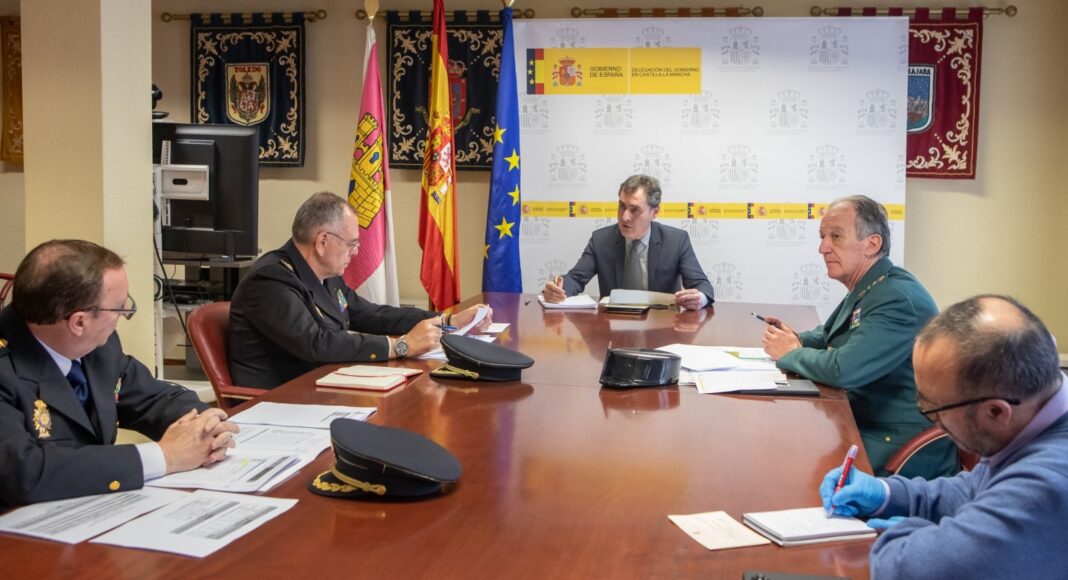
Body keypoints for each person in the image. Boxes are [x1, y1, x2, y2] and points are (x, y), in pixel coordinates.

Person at [819, 295, 1068, 579]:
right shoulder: (1036, 415)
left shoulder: (1048, 480)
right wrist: (886, 494)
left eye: (933, 409)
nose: (931, 418)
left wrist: (915, 534)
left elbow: (914, 569)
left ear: (996, 412)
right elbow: (974, 489)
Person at [0, 240, 238, 506]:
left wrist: (205, 428)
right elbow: (22, 471)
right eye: (120, 308)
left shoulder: (97, 346)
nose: (123, 315)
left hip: (89, 507)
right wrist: (165, 456)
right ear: (79, 322)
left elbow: (152, 398)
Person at [762, 195, 955, 478]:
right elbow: (831, 335)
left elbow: (844, 369)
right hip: (863, 420)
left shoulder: (896, 298)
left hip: (895, 442)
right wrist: (796, 339)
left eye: (836, 236)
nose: (823, 248)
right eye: (823, 237)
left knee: (789, 468)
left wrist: (791, 352)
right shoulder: (873, 285)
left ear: (872, 244)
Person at [229, 191, 491, 389]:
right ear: (322, 241)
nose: (355, 252)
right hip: (283, 399)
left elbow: (372, 314)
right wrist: (401, 346)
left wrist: (447, 321)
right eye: (352, 244)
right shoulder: (270, 280)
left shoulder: (326, 276)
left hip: (323, 385)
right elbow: (315, 343)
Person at [541, 174, 714, 310]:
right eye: (622, 206)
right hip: (613, 326)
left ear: (654, 213)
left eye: (635, 210)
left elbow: (703, 286)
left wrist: (699, 298)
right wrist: (558, 289)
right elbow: (575, 278)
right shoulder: (601, 240)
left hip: (661, 327)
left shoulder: (676, 241)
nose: (625, 217)